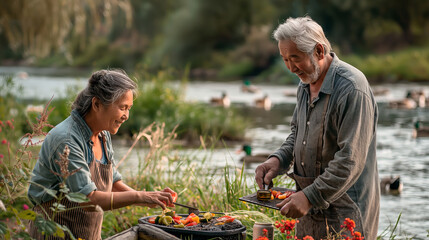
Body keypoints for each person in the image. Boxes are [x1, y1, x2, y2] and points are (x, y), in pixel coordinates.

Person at [255, 16, 379, 240]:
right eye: (285, 59)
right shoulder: (305, 84)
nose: (291, 68)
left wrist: (309, 197)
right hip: (310, 211)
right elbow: (297, 134)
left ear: (319, 51)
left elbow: (350, 159)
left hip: (346, 211)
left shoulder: (352, 88)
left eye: (296, 58)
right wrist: (277, 160)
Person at [28, 69, 176, 240]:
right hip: (55, 233)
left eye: (129, 108)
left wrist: (148, 199)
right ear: (97, 104)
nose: (126, 116)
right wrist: (140, 195)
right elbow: (88, 200)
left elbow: (112, 182)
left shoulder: (102, 134)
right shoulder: (67, 140)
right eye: (122, 108)